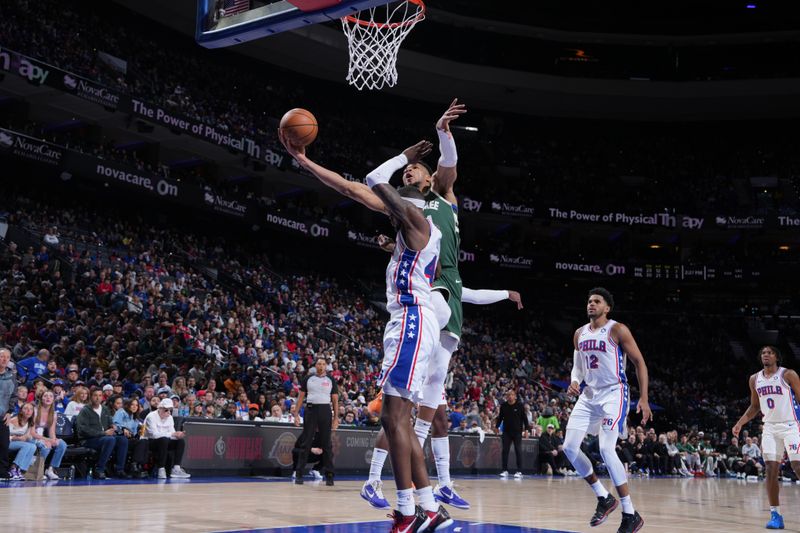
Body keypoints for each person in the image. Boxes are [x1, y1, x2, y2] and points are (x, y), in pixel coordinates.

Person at [563, 288, 650, 533]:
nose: (591, 304)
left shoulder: (617, 329)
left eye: (597, 301)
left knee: (605, 447)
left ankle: (630, 513)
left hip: (614, 393)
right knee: (569, 447)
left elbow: (639, 362)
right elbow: (577, 367)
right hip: (589, 395)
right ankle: (604, 497)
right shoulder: (579, 333)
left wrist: (643, 398)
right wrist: (575, 381)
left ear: (607, 308)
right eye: (589, 300)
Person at [732, 345, 800, 530]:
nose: (766, 355)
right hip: (769, 427)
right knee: (770, 469)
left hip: (791, 425)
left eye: (769, 352)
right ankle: (775, 514)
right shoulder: (755, 379)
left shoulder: (788, 375)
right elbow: (754, 407)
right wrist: (740, 423)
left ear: (777, 356)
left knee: (797, 466)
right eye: (763, 353)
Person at [292, 358, 339, 486]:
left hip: (325, 410)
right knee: (306, 442)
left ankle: (329, 475)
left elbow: (335, 400)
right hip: (311, 409)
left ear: (326, 366)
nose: (321, 366)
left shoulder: (331, 380)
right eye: (319, 363)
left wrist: (336, 418)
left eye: (324, 364)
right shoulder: (308, 379)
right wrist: (296, 414)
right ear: (315, 365)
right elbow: (301, 397)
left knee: (326, 443)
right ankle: (299, 473)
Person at [75, 389, 130, 479]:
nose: (97, 398)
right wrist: (103, 433)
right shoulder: (85, 410)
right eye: (95, 395)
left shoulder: (105, 409)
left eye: (100, 395)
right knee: (109, 439)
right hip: (88, 439)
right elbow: (82, 430)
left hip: (104, 437)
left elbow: (110, 423)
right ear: (91, 397)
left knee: (122, 440)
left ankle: (119, 469)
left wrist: (113, 426)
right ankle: (99, 469)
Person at [141, 398, 191, 479]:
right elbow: (155, 435)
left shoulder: (170, 418)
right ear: (160, 408)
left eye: (170, 410)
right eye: (166, 410)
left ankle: (176, 469)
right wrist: (172, 434)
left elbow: (172, 434)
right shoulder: (151, 417)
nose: (168, 412)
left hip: (165, 441)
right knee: (163, 440)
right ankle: (161, 469)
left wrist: (177, 435)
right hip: (149, 442)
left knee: (180, 441)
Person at [32, 390, 68, 480]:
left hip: (42, 437)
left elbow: (52, 432)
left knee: (62, 444)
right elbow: (31, 432)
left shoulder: (54, 414)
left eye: (51, 396)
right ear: (41, 398)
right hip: (32, 437)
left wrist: (53, 440)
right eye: (45, 396)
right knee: (45, 446)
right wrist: (46, 440)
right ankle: (40, 470)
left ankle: (51, 469)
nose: (48, 398)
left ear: (53, 399)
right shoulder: (35, 411)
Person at [495, 390, 530, 478]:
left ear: (515, 396)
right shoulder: (504, 406)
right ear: (506, 397)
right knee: (505, 451)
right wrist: (496, 427)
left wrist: (526, 430)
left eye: (512, 395)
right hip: (506, 432)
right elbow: (500, 418)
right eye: (508, 395)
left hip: (517, 432)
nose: (510, 396)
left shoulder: (520, 406)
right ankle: (504, 470)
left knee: (518, 451)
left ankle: (519, 471)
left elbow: (525, 419)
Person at [113, 398, 148, 478]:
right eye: (132, 405)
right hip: (118, 437)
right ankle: (123, 468)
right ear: (127, 405)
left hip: (129, 439)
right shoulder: (121, 412)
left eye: (136, 405)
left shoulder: (135, 418)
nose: (134, 407)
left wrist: (138, 434)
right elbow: (114, 424)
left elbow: (133, 434)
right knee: (126, 440)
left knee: (144, 442)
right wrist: (123, 429)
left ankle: (136, 465)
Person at [6, 402, 38, 481]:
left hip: (18, 443)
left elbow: (26, 436)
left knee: (33, 446)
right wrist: (16, 438)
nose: (28, 411)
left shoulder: (30, 421)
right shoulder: (13, 420)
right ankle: (13, 468)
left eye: (31, 409)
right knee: (27, 446)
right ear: (20, 411)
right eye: (25, 408)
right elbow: (3, 436)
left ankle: (19, 469)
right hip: (7, 442)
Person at [0, 348, 17, 480]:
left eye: (7, 357)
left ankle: (2, 472)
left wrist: (10, 412)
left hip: (3, 417)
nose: (4, 359)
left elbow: (13, 396)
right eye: (1, 357)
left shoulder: (11, 376)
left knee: (4, 445)